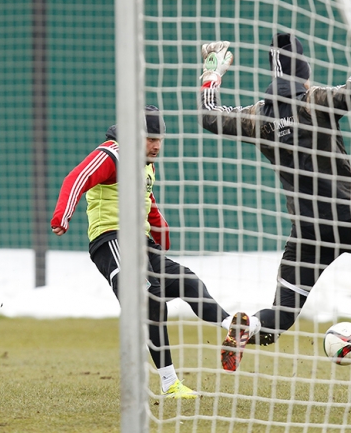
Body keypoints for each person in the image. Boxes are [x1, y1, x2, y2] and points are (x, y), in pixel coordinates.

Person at [198, 7, 351, 372]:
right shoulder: (315, 101)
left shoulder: (261, 117)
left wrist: (212, 73)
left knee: (280, 318)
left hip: (307, 235)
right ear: (303, 73)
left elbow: (211, 118)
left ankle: (251, 326)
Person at [50, 106, 259, 398]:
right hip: (112, 240)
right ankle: (166, 382)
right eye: (150, 138)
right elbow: (76, 178)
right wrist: (63, 215)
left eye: (160, 138)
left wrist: (160, 231)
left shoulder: (147, 164)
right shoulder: (113, 154)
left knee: (187, 280)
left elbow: (147, 199)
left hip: (142, 243)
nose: (156, 144)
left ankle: (232, 328)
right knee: (150, 301)